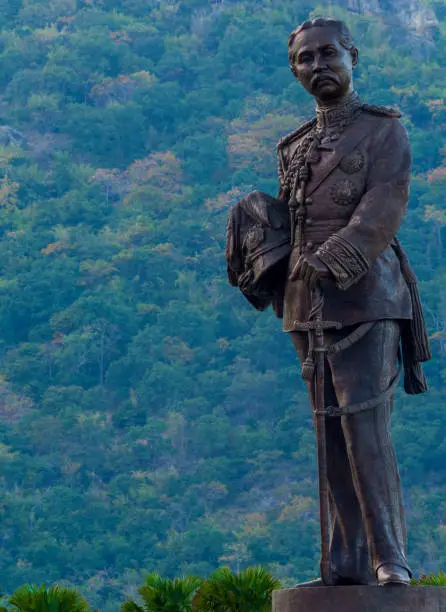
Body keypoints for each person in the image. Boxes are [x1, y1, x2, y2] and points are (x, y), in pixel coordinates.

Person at [273, 17, 431, 587]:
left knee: (365, 426)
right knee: (328, 434)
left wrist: (331, 260)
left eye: (328, 55)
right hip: (304, 304)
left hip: (367, 297)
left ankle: (391, 558)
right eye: (306, 60)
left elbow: (383, 208)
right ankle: (344, 563)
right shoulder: (292, 146)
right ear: (295, 71)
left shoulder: (384, 131)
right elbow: (289, 225)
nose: (318, 67)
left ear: (352, 56)